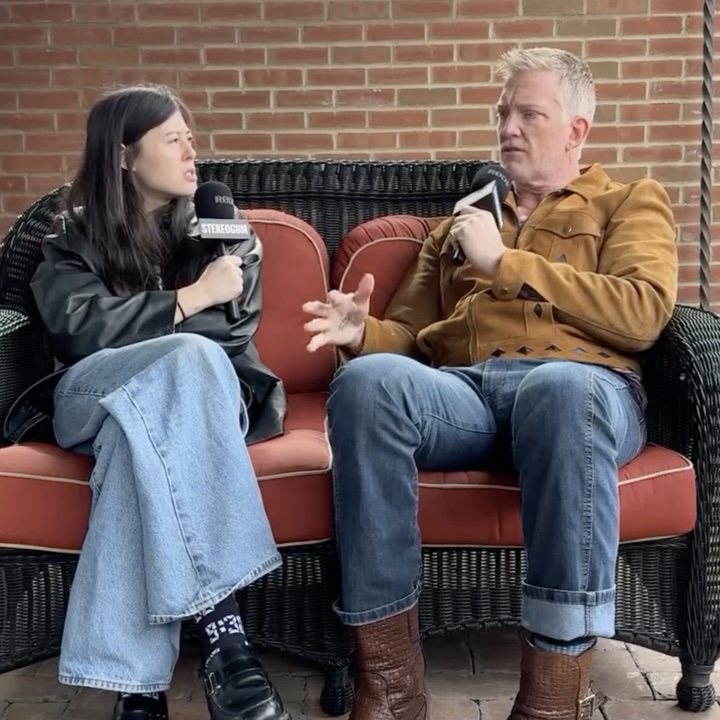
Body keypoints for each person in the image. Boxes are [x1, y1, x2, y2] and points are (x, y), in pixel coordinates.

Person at [303, 47, 678, 720]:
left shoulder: (628, 201)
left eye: (529, 114)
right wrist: (361, 334)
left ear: (576, 129)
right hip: (467, 395)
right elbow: (412, 335)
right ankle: (390, 687)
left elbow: (643, 312)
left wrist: (506, 263)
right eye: (503, 113)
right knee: (368, 383)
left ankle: (552, 701)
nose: (507, 128)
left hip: (585, 390)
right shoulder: (458, 226)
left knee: (560, 392)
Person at [6, 85, 291, 720]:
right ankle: (226, 637)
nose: (192, 152)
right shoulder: (72, 236)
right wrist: (189, 299)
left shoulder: (222, 228)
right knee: (184, 360)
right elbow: (77, 328)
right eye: (173, 139)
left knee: (151, 419)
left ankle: (137, 688)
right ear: (124, 156)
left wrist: (154, 320)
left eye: (191, 138)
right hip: (94, 394)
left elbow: (231, 333)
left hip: (201, 399)